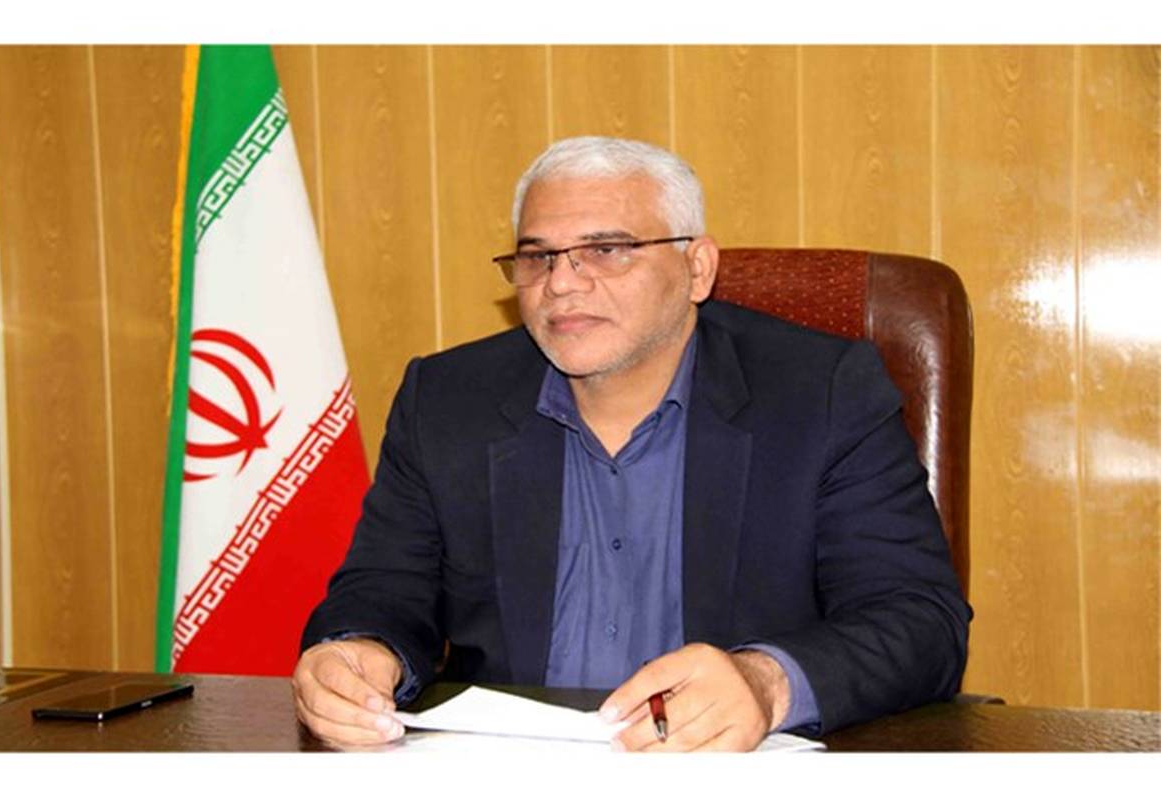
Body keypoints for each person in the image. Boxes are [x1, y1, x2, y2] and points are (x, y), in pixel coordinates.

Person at [293, 136, 971, 752]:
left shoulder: (822, 393)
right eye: (538, 256)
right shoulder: (447, 400)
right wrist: (358, 651)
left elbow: (919, 621)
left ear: (697, 268)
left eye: (606, 250)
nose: (562, 283)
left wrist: (766, 683)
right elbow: (385, 586)